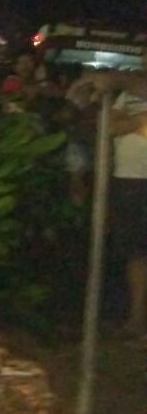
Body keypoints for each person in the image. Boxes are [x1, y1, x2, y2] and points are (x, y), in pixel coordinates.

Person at [69, 69, 147, 336]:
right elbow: (111, 127)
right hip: (129, 180)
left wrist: (131, 121)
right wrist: (139, 120)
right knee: (135, 249)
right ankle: (137, 316)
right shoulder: (127, 95)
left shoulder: (131, 88)